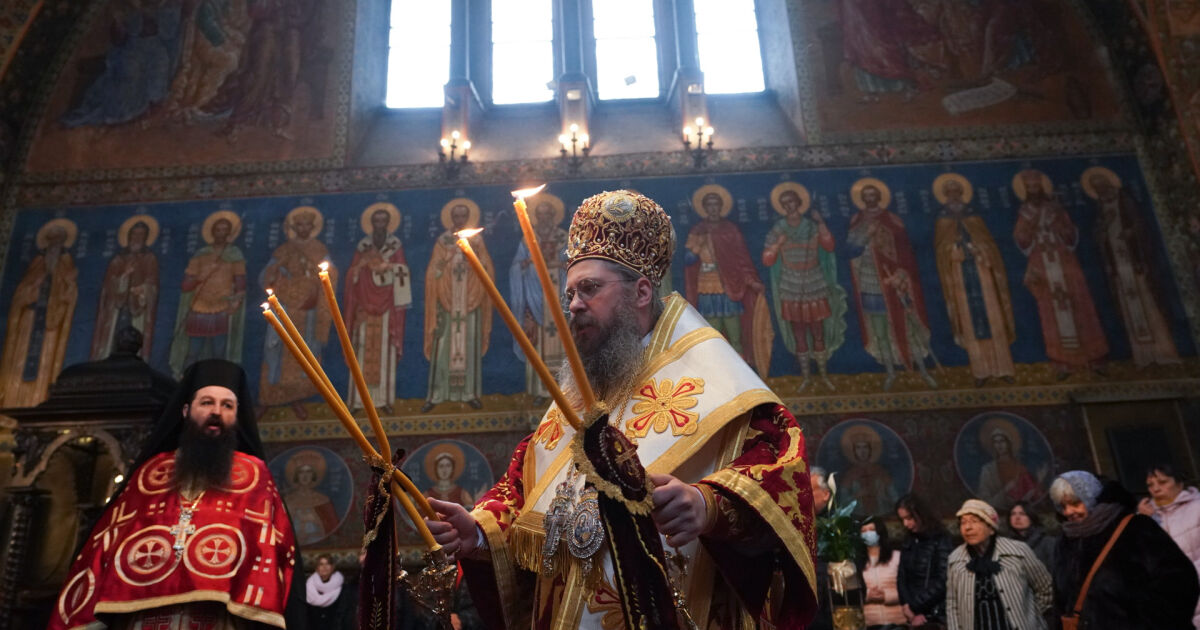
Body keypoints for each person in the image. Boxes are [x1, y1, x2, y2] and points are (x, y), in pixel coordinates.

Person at [421, 190, 818, 628]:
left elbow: (783, 473)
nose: (574, 304)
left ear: (642, 292)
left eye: (590, 288)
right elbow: (525, 489)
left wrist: (708, 505)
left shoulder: (717, 381)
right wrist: (479, 531)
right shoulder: (583, 392)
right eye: (570, 293)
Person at [49, 359, 306, 630]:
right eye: (206, 402)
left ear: (237, 416)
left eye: (227, 405)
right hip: (142, 617)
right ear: (185, 411)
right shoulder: (150, 474)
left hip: (220, 620)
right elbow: (106, 543)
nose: (216, 412)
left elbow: (272, 552)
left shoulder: (254, 477)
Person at [1050, 470, 1199, 630]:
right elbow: (1061, 602)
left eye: (1075, 503)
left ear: (1092, 498)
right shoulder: (1065, 543)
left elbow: (1179, 581)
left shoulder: (1135, 528)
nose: (1068, 512)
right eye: (1062, 506)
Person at [1012, 170, 1108, 378]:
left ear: (1042, 188)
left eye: (1036, 186)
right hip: (1041, 261)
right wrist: (1031, 227)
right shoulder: (1025, 212)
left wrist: (1059, 227)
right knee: (1050, 309)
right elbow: (1021, 238)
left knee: (1080, 302)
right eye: (1030, 187)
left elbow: (1070, 233)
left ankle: (1094, 357)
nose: (1033, 190)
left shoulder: (1056, 209)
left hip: (1064, 260)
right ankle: (1062, 362)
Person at [1084, 167, 1181, 368]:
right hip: (1118, 265)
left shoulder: (1126, 201)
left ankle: (1165, 352)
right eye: (1096, 187)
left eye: (1102, 185)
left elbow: (1140, 224)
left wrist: (1130, 233)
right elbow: (1098, 236)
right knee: (1129, 308)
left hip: (1135, 259)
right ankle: (1143, 356)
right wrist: (1103, 231)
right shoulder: (1101, 209)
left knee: (1148, 302)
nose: (1101, 189)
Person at [847, 179, 937, 391]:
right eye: (866, 196)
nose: (869, 199)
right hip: (870, 281)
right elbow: (851, 250)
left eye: (873, 195)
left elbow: (906, 253)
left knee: (910, 326)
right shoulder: (857, 220)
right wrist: (865, 235)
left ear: (879, 197)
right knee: (880, 331)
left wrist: (901, 274)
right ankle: (890, 372)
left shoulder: (892, 220)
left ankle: (922, 370)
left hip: (896, 281)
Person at [932, 174, 1015, 386]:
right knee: (970, 321)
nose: (953, 197)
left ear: (962, 194)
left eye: (956, 192)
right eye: (949, 193)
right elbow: (941, 250)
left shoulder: (974, 216)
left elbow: (989, 245)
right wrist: (954, 249)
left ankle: (1004, 368)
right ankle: (980, 371)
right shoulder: (942, 220)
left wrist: (979, 249)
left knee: (993, 317)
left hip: (983, 272)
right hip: (959, 275)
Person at [763, 182, 847, 391]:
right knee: (799, 333)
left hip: (813, 282)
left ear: (799, 202)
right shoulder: (778, 229)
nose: (789, 205)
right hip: (790, 285)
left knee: (818, 332)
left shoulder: (811, 225)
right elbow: (767, 259)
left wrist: (821, 223)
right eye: (784, 203)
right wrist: (778, 244)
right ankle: (806, 378)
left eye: (792, 201)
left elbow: (829, 245)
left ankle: (824, 376)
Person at [259, 207, 336, 417]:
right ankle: (269, 397)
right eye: (299, 225)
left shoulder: (319, 250)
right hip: (284, 306)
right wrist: (276, 272)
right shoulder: (283, 250)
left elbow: (330, 276)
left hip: (307, 312)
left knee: (304, 352)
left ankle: (297, 399)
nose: (303, 229)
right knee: (274, 349)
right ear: (294, 228)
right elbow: (266, 276)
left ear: (312, 227)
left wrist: (313, 286)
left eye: (307, 225)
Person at [683, 184, 769, 374]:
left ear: (721, 206)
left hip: (730, 288)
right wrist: (698, 246)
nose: (713, 208)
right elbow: (688, 260)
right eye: (709, 205)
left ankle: (741, 377)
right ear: (704, 207)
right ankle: (717, 376)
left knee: (735, 335)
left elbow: (741, 259)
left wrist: (752, 281)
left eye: (716, 204)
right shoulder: (698, 230)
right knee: (712, 337)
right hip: (706, 289)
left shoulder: (730, 229)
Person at [422, 199, 493, 412]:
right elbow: (432, 272)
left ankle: (470, 394)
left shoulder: (477, 241)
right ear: (451, 218)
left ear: (468, 218)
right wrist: (445, 262)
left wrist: (476, 264)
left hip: (470, 301)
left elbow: (487, 269)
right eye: (456, 216)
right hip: (446, 302)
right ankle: (437, 395)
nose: (460, 219)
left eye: (463, 216)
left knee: (469, 345)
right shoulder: (443, 241)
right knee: (443, 346)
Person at [0, 219, 78, 408]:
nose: (55, 246)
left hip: (52, 321)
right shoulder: (37, 263)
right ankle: (11, 403)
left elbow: (70, 293)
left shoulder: (66, 266)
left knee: (46, 362)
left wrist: (64, 290)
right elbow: (21, 293)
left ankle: (42, 400)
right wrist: (34, 288)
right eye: (52, 241)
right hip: (29, 319)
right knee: (19, 361)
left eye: (59, 241)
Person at [343, 203, 411, 413]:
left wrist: (388, 266)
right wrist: (361, 266)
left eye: (383, 221)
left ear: (388, 223)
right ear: (371, 223)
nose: (380, 224)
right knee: (361, 350)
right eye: (376, 221)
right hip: (363, 307)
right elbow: (351, 275)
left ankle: (383, 401)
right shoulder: (363, 247)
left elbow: (403, 270)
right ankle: (357, 402)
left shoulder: (395, 245)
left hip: (387, 308)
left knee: (385, 351)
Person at [946, 499, 1052, 630]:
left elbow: (1045, 588)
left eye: (974, 521)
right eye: (963, 522)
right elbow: (952, 603)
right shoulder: (955, 559)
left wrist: (1029, 617)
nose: (968, 527)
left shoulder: (1017, 551)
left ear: (991, 528)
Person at [169, 211, 247, 378]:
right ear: (212, 232)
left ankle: (217, 382)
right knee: (193, 351)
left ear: (229, 233)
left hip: (222, 308)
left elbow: (241, 284)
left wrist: (235, 303)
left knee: (218, 353)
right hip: (199, 308)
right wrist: (200, 278)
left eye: (225, 230)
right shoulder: (201, 255)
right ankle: (187, 381)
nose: (221, 233)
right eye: (218, 230)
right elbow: (186, 286)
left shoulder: (234, 255)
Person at [509, 194, 569, 402]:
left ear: (553, 216)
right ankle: (542, 392)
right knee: (539, 343)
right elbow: (516, 267)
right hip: (536, 300)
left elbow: (575, 263)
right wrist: (525, 265)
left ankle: (568, 392)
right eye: (540, 215)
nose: (544, 218)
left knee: (564, 343)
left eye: (548, 214)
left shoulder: (564, 237)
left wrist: (563, 266)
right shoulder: (528, 239)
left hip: (560, 298)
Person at [1137, 463, 1200, 627]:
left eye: (1163, 482)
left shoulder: (1197, 508)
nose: (1156, 489)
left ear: (1179, 483)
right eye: (1150, 485)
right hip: (1174, 603)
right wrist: (1144, 522)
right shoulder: (1147, 516)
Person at [92, 216, 160, 361]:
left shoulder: (149, 259)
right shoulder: (118, 259)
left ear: (146, 238)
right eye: (134, 234)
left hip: (137, 309)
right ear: (129, 236)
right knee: (114, 340)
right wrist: (123, 277)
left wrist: (143, 289)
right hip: (117, 310)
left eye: (141, 235)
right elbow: (108, 285)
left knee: (135, 339)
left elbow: (152, 284)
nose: (137, 238)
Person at [895, 493, 953, 628]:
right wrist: (907, 607)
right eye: (902, 519)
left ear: (921, 514)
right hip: (912, 613)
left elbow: (943, 580)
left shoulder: (941, 539)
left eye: (909, 518)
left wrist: (914, 606)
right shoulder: (909, 541)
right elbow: (901, 578)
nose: (906, 524)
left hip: (936, 614)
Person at [859, 518, 905, 629]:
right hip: (869, 622)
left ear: (880, 531)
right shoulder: (857, 562)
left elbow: (909, 588)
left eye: (871, 529)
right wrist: (868, 595)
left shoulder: (897, 557)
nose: (868, 534)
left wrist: (886, 596)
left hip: (898, 621)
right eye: (863, 531)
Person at [1007, 500, 1057, 574]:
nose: (1017, 517)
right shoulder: (1006, 545)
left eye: (1022, 514)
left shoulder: (1048, 542)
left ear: (1031, 517)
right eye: (1013, 514)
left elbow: (1055, 571)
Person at [306, 554, 354, 630]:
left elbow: (346, 615)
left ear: (332, 567)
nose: (324, 567)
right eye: (321, 564)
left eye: (328, 564)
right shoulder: (308, 587)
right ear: (317, 568)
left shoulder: (343, 589)